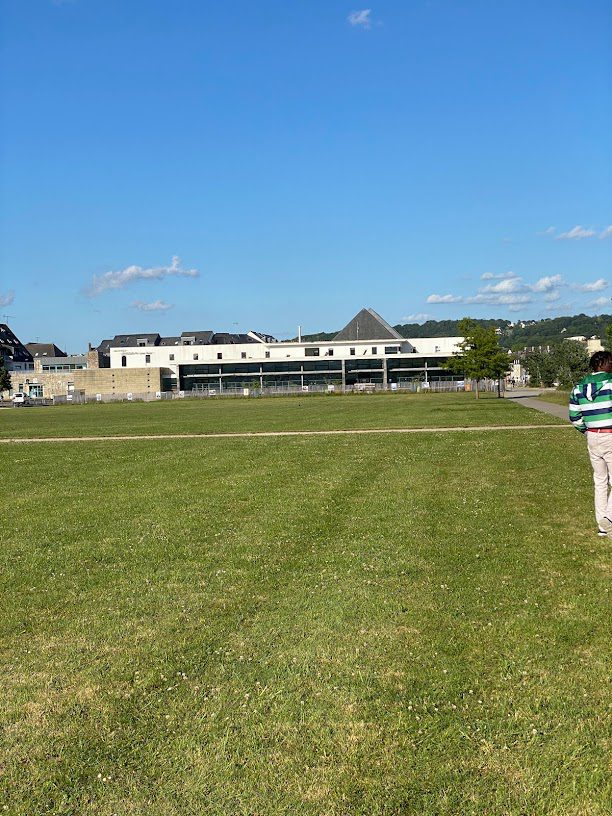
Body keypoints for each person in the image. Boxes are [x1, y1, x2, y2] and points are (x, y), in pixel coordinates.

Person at [569, 350, 612, 536]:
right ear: (603, 364)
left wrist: (586, 430)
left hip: (593, 436)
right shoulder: (610, 384)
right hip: (610, 434)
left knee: (600, 481)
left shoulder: (578, 388)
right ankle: (609, 518)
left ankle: (602, 527)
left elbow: (574, 416)